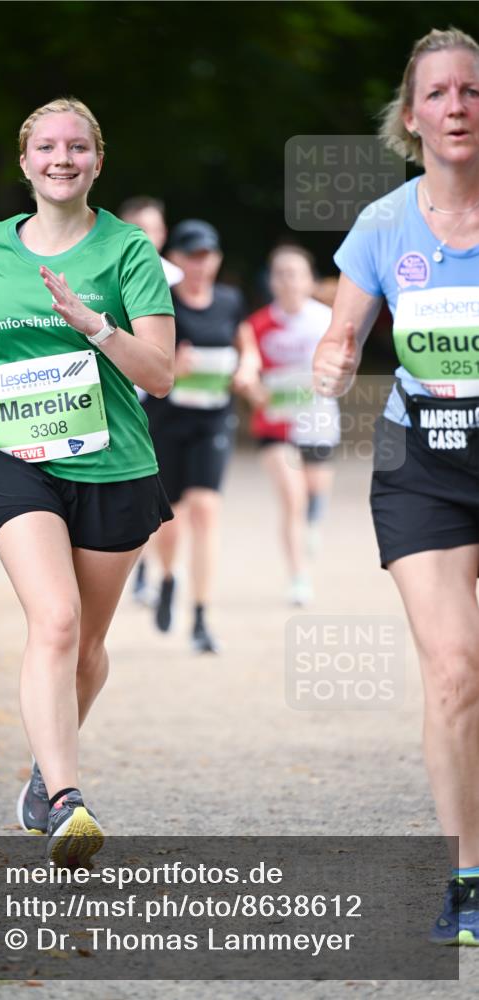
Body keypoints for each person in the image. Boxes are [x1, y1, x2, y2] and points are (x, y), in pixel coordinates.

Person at [0, 97, 175, 867]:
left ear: (97, 161)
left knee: (88, 646)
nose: (61, 159)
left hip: (113, 466)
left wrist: (94, 326)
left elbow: (162, 374)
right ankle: (69, 803)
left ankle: (46, 772)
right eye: (46, 147)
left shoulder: (128, 251)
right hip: (13, 455)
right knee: (56, 621)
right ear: (24, 161)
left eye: (77, 147)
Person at [313, 28, 479, 944]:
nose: (456, 107)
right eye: (439, 94)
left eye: (471, 92)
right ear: (410, 118)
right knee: (454, 672)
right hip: (423, 466)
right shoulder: (383, 225)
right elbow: (340, 338)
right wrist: (332, 364)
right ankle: (467, 878)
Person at [144, 220, 259, 652]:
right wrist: (172, 364)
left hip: (213, 420)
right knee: (169, 520)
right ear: (177, 260)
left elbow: (246, 344)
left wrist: (248, 368)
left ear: (217, 259)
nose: (200, 264)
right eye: (192, 255)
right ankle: (168, 579)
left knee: (206, 510)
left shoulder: (230, 300)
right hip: (167, 421)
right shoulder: (162, 301)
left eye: (207, 255)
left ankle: (201, 616)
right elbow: (143, 355)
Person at [248, 245, 340, 605]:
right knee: (292, 499)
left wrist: (328, 379)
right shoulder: (257, 325)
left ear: (309, 279)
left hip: (318, 420)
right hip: (275, 426)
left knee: (314, 492)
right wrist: (254, 390)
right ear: (271, 280)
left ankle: (315, 521)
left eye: (295, 273)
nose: (288, 280)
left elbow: (343, 364)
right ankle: (299, 578)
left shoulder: (327, 320)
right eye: (280, 273)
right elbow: (249, 372)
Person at [118, 196, 183, 605]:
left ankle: (161, 571)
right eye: (138, 228)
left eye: (154, 228)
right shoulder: (107, 271)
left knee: (163, 489)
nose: (148, 236)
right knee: (128, 490)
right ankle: (137, 566)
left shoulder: (176, 279)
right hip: (122, 398)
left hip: (164, 399)